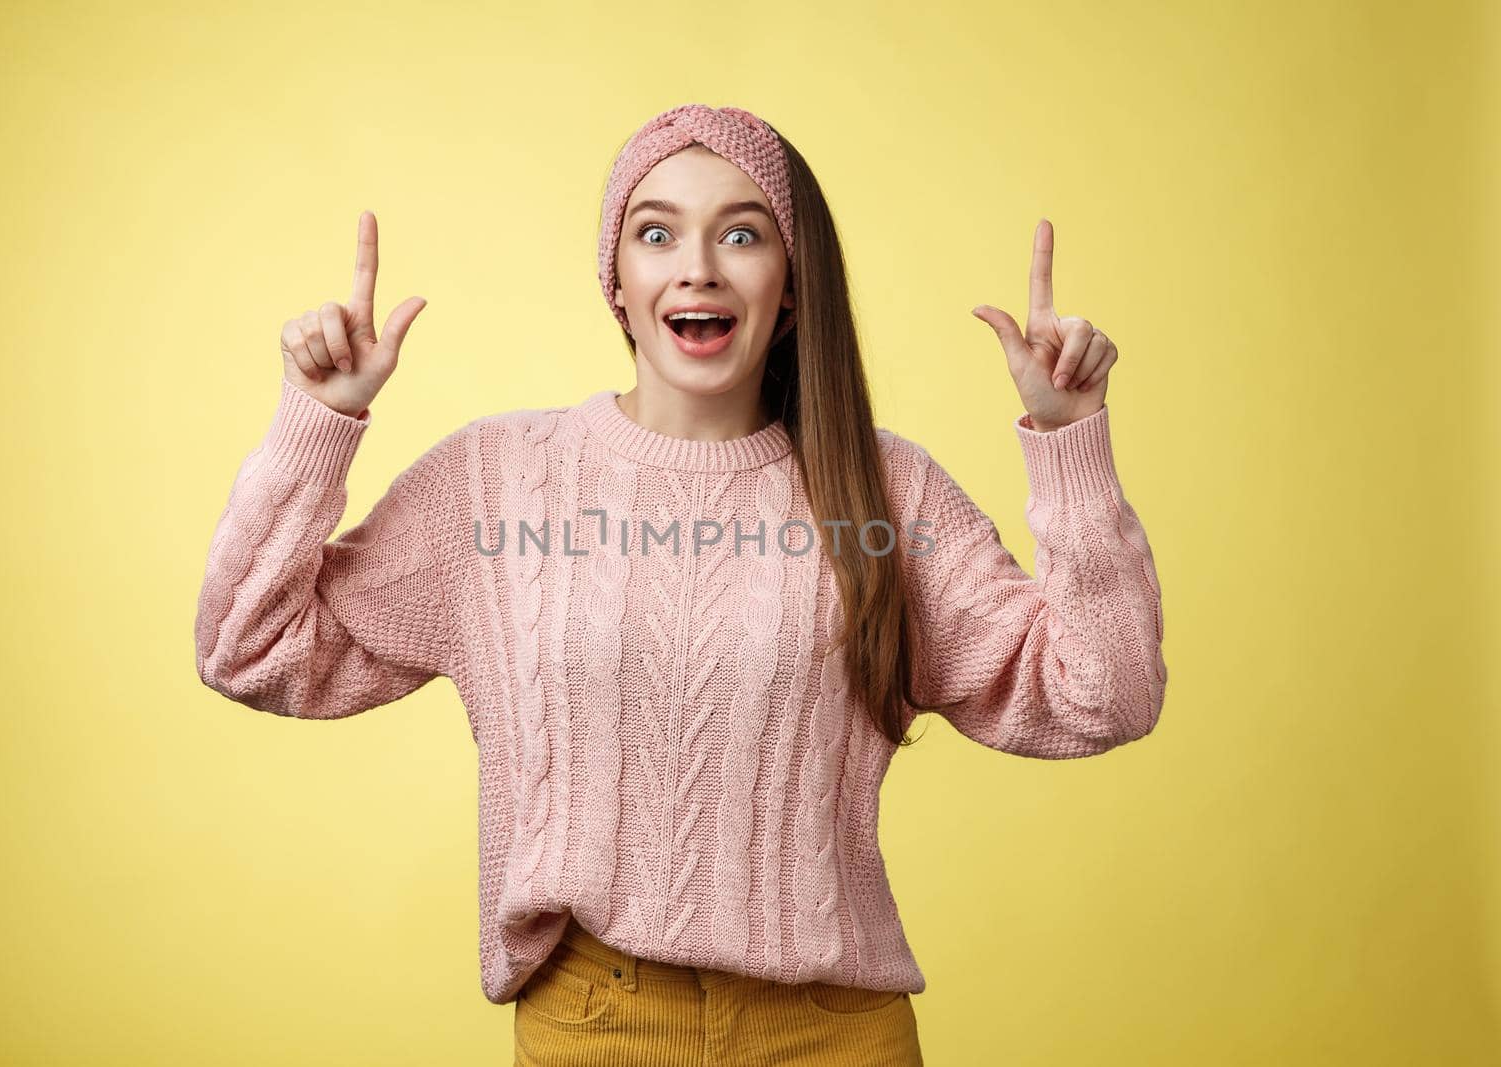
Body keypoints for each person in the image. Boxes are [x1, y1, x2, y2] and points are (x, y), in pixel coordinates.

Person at [193, 103, 1167, 1067]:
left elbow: (1102, 694)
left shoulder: (884, 489)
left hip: (832, 1030)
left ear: (789, 287)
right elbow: (251, 650)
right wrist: (313, 422)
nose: (696, 265)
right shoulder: (493, 482)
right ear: (617, 281)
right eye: (655, 232)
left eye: (741, 233)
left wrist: (1071, 442)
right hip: (594, 1024)